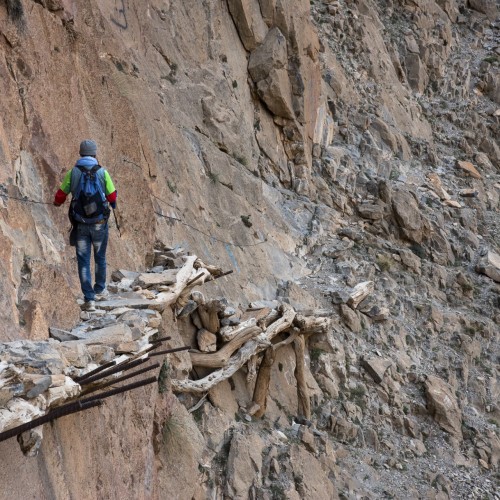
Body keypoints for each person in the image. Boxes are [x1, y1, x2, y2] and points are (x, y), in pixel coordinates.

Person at [53, 140, 117, 311]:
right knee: (100, 257)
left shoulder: (73, 173)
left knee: (83, 261)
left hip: (80, 224)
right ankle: (100, 289)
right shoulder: (103, 172)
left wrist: (57, 203)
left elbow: (61, 194)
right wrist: (114, 205)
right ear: (95, 154)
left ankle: (89, 299)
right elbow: (112, 196)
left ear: (80, 154)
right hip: (99, 224)